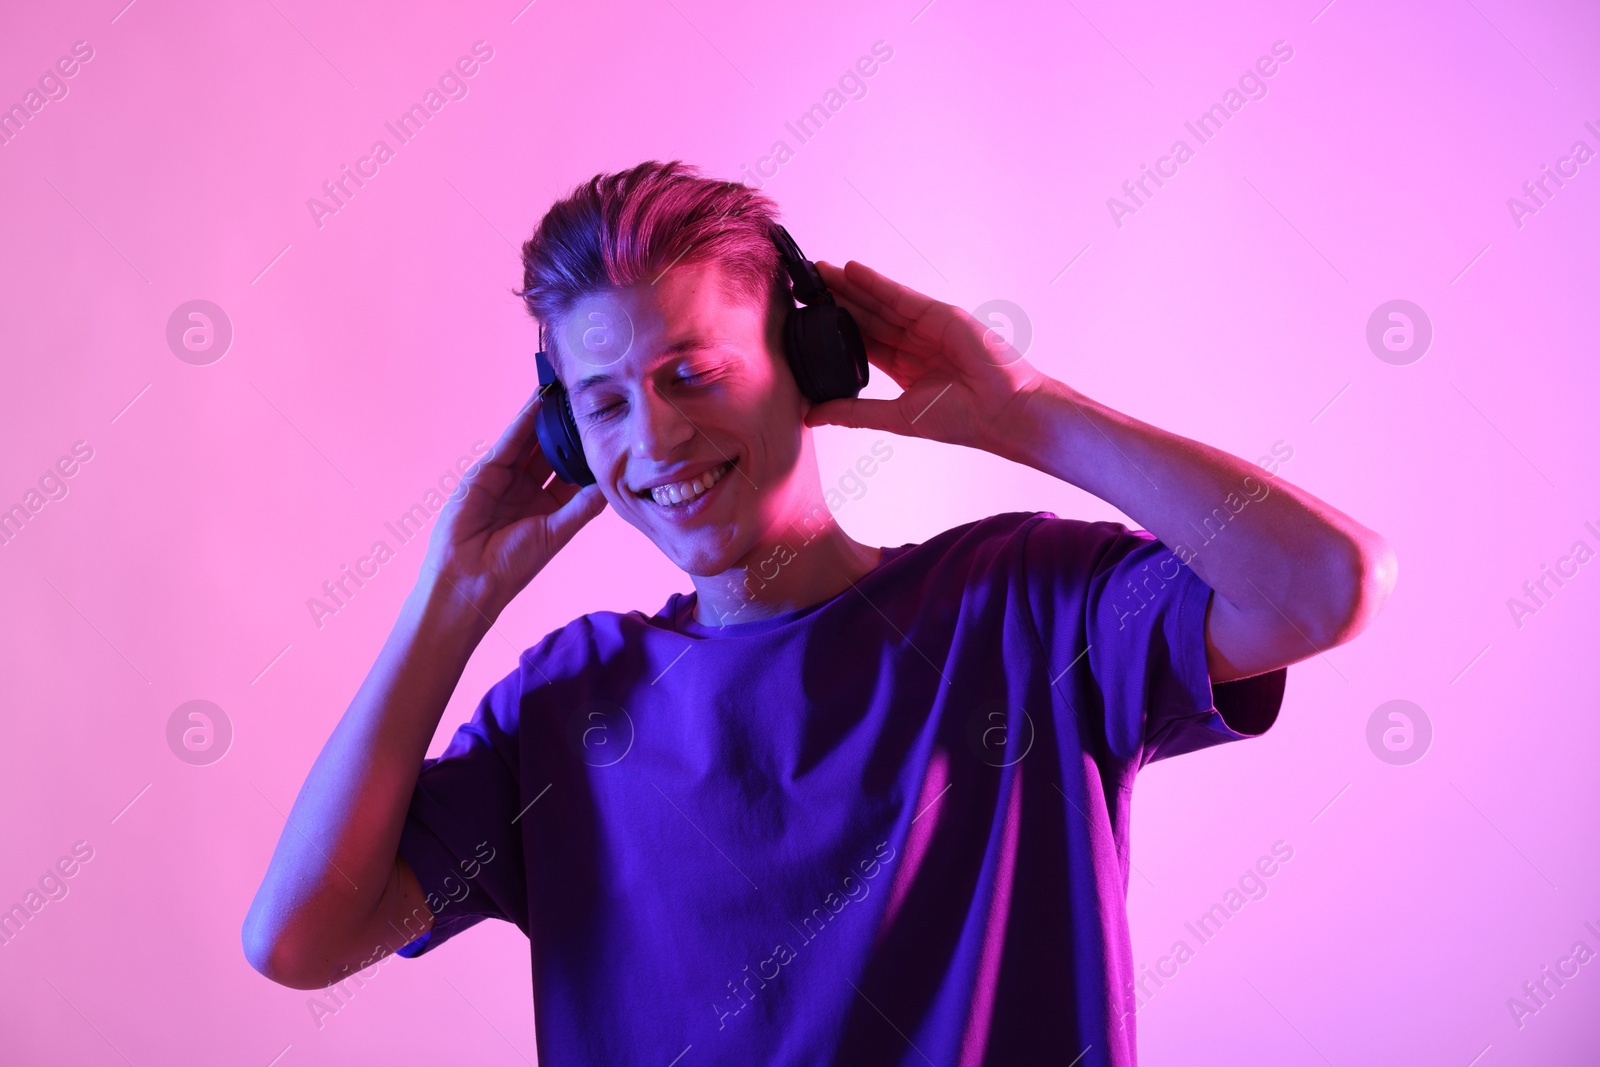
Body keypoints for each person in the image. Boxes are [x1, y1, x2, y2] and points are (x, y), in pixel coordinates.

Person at [242, 160, 1396, 1065]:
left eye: (691, 371)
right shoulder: (564, 704)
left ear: (806, 360)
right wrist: (451, 595)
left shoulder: (1022, 610)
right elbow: (298, 938)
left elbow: (1321, 583)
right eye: (601, 405)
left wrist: (1022, 410)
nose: (652, 441)